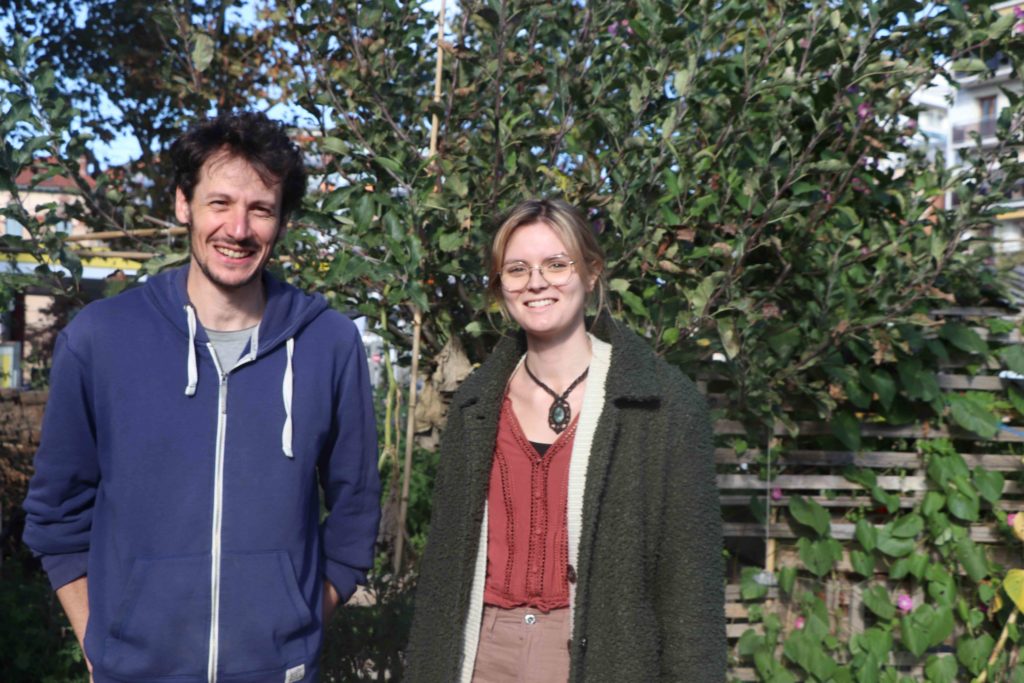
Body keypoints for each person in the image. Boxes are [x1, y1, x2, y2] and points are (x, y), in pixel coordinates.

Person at [22, 112, 381, 683]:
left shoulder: (329, 344)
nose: (238, 229)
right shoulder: (100, 340)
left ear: (282, 221)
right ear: (183, 204)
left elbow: (356, 513)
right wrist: (101, 640)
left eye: (260, 209)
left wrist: (299, 624)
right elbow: (55, 515)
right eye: (220, 203)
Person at [406, 198, 725, 682]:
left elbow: (690, 588)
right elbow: (443, 578)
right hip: (482, 654)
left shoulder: (662, 405)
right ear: (500, 287)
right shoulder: (475, 407)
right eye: (516, 269)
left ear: (592, 273)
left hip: (601, 657)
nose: (537, 282)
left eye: (557, 264)